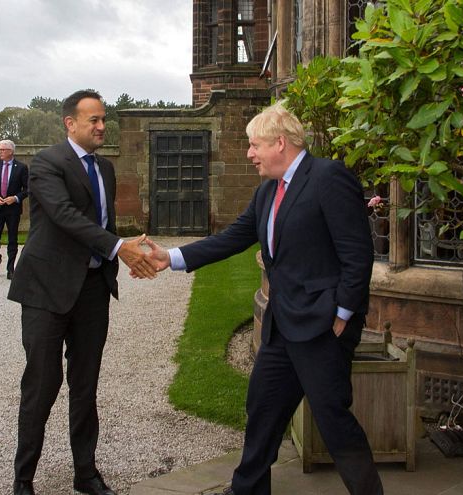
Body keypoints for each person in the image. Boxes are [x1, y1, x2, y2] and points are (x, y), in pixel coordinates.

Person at [140, 102, 383, 495]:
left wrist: (342, 313)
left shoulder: (328, 177)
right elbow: (233, 237)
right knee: (263, 412)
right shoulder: (268, 190)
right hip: (281, 327)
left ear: (280, 143)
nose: (249, 154)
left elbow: (357, 253)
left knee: (333, 421)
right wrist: (171, 258)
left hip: (322, 327)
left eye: (254, 145)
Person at [7, 90, 157, 495]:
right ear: (69, 123)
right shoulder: (46, 164)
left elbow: (99, 222)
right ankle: (24, 479)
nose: (102, 126)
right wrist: (117, 247)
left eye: (104, 119)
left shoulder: (106, 169)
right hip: (46, 289)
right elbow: (66, 217)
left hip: (93, 289)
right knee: (42, 384)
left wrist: (123, 245)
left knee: (85, 384)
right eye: (93, 119)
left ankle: (85, 474)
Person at [0, 139, 28, 279]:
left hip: (12, 209)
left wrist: (15, 198)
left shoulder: (21, 167)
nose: (0, 152)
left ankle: (10, 269)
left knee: (12, 239)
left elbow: (28, 189)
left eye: (3, 149)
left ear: (11, 151)